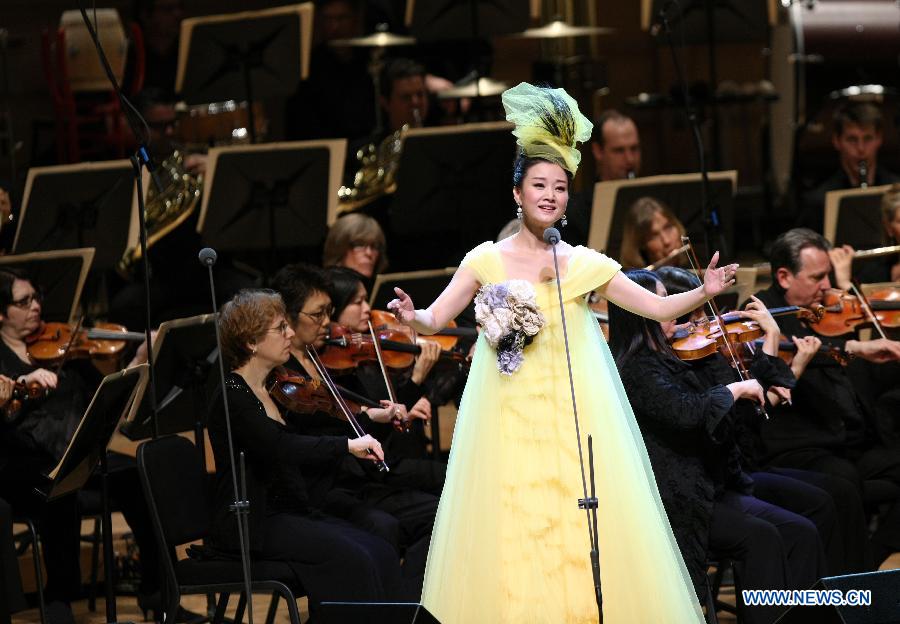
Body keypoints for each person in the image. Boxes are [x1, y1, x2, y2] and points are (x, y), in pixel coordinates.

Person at [386, 82, 739, 622]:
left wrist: (706, 291)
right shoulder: (486, 259)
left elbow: (656, 309)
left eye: (559, 187)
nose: (550, 195)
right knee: (518, 522)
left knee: (581, 526)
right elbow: (437, 317)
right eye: (538, 185)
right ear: (517, 194)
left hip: (576, 416)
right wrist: (413, 315)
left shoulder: (579, 263)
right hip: (508, 414)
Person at [609, 269, 825, 624]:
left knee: (801, 531)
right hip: (677, 501)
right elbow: (684, 413)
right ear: (640, 313)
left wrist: (750, 367)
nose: (676, 316)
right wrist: (735, 390)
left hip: (712, 485)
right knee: (763, 538)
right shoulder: (634, 370)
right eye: (664, 303)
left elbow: (741, 420)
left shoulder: (677, 357)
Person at [207, 288, 402, 611]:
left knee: (379, 549)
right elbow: (281, 447)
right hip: (254, 521)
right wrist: (346, 446)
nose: (290, 334)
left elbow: (320, 423)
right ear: (250, 343)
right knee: (354, 558)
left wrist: (366, 417)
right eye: (280, 328)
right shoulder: (233, 397)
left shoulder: (273, 386)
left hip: (289, 510)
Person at [0, 268, 160, 623]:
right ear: (1, 313)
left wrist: (138, 360)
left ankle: (157, 590)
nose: (36, 307)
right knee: (60, 491)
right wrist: (21, 383)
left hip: (73, 453)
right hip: (22, 465)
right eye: (23, 302)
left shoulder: (65, 348)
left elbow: (107, 399)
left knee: (136, 474)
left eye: (36, 297)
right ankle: (60, 601)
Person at [269, 264, 436, 597]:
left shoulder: (317, 359)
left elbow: (346, 422)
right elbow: (312, 435)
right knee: (383, 525)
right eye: (317, 315)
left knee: (440, 515)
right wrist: (371, 419)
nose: (327, 324)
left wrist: (376, 417)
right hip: (322, 488)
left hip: (352, 479)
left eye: (328, 314)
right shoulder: (282, 374)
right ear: (288, 316)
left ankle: (410, 607)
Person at [753, 228, 900, 565]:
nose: (826, 286)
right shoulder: (764, 313)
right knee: (843, 484)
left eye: (828, 276)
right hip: (796, 446)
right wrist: (854, 347)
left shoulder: (821, 312)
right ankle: (853, 584)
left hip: (841, 438)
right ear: (784, 277)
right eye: (817, 277)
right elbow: (798, 350)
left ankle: (871, 561)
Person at [799, 102, 900, 233]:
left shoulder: (897, 191)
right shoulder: (818, 201)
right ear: (837, 141)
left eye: (868, 138)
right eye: (852, 139)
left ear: (879, 139)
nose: (861, 149)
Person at [566, 110, 642, 247]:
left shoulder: (650, 201)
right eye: (619, 151)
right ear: (598, 151)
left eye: (634, 149)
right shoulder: (576, 212)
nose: (630, 159)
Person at [619, 196, 688, 269]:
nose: (666, 241)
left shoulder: (695, 271)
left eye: (668, 228)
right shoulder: (636, 280)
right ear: (641, 245)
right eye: (654, 236)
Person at [322, 213, 388, 281]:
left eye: (375, 246)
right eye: (359, 244)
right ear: (338, 248)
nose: (369, 253)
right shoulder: (321, 289)